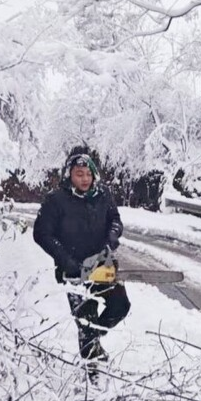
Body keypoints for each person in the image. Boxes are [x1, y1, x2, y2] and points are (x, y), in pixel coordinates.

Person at [33, 150, 130, 378]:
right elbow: (42, 234)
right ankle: (93, 374)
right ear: (69, 176)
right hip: (73, 273)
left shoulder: (103, 194)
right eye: (79, 174)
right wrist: (67, 261)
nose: (85, 179)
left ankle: (94, 342)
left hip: (103, 266)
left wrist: (112, 238)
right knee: (86, 323)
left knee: (120, 306)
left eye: (88, 174)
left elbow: (115, 220)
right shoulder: (56, 200)